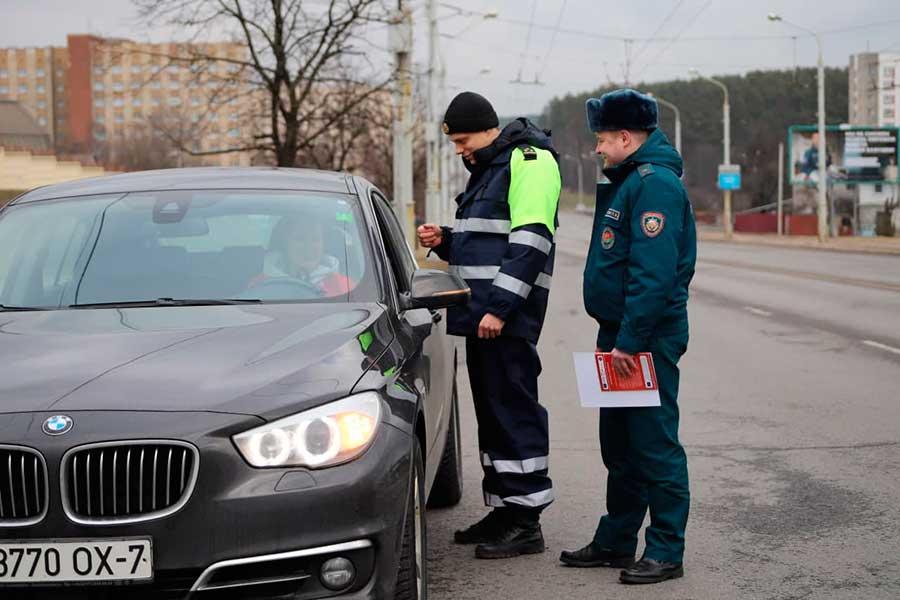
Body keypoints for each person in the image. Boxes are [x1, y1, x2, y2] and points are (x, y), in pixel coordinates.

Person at [559, 89, 696, 585]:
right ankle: (616, 540)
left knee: (653, 445)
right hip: (620, 335)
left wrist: (630, 342)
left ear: (624, 136)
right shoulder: (629, 182)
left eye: (601, 140)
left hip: (643, 340)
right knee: (619, 444)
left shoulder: (654, 185)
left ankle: (665, 550)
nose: (597, 149)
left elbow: (653, 276)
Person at [417, 91, 561, 559]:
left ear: (486, 129)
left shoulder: (530, 161)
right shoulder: (492, 169)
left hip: (505, 319)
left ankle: (525, 520)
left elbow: (530, 241)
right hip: (484, 318)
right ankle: (504, 509)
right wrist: (448, 241)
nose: (459, 149)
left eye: (462, 140)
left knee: (514, 411)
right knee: (494, 413)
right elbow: (489, 243)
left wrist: (500, 308)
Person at [249, 215, 352, 297]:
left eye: (315, 239)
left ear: (324, 245)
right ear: (285, 244)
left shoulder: (344, 286)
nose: (308, 247)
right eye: (300, 239)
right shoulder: (261, 284)